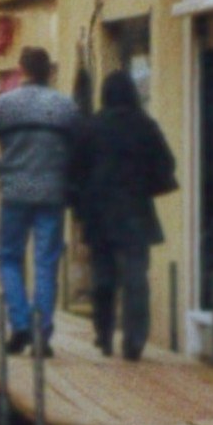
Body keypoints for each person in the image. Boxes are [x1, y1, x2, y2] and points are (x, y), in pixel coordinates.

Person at [0, 48, 86, 353]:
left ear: (21, 70)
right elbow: (83, 148)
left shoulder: (2, 105)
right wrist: (66, 172)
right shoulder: (65, 106)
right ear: (50, 71)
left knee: (8, 258)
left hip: (15, 189)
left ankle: (20, 324)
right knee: (46, 262)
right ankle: (41, 333)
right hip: (52, 190)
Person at [73, 70, 178, 359]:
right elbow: (166, 164)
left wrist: (80, 208)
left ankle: (104, 334)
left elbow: (75, 171)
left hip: (99, 213)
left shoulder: (91, 127)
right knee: (136, 279)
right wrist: (148, 186)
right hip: (135, 212)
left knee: (103, 277)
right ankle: (134, 340)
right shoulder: (144, 125)